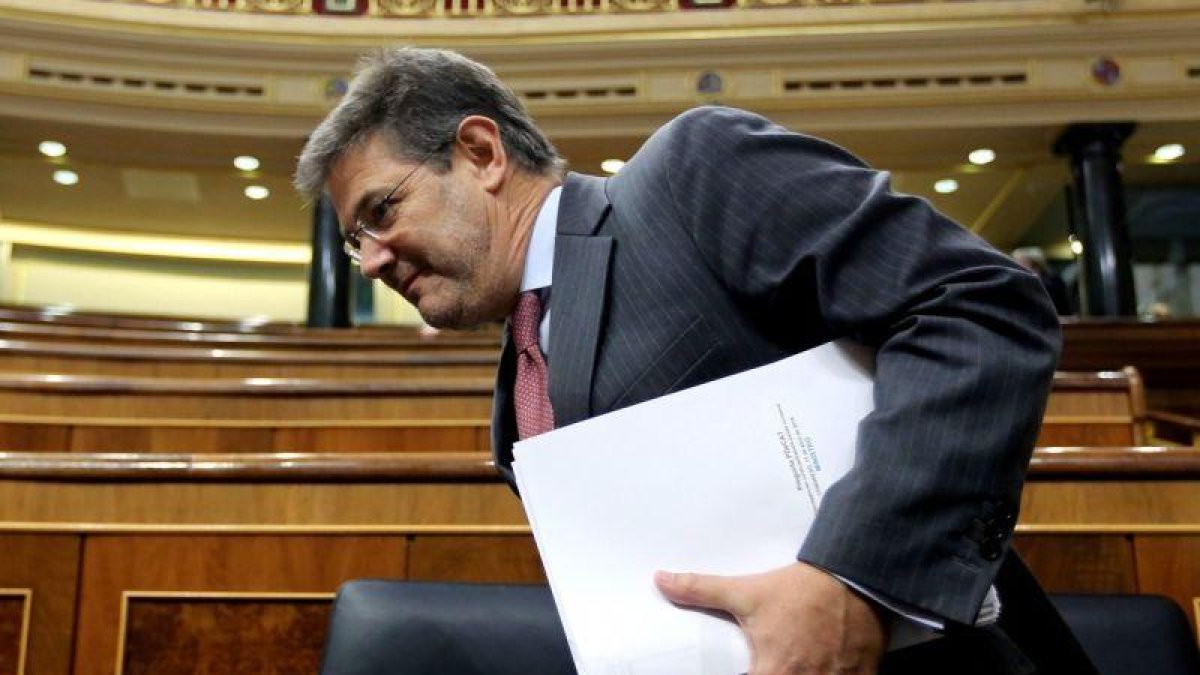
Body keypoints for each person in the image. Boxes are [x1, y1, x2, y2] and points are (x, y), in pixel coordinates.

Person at [296, 47, 1092, 675]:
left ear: (480, 151)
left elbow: (979, 302)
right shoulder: (516, 395)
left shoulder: (692, 172)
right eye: (354, 239)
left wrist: (851, 580)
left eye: (381, 211)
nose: (369, 261)